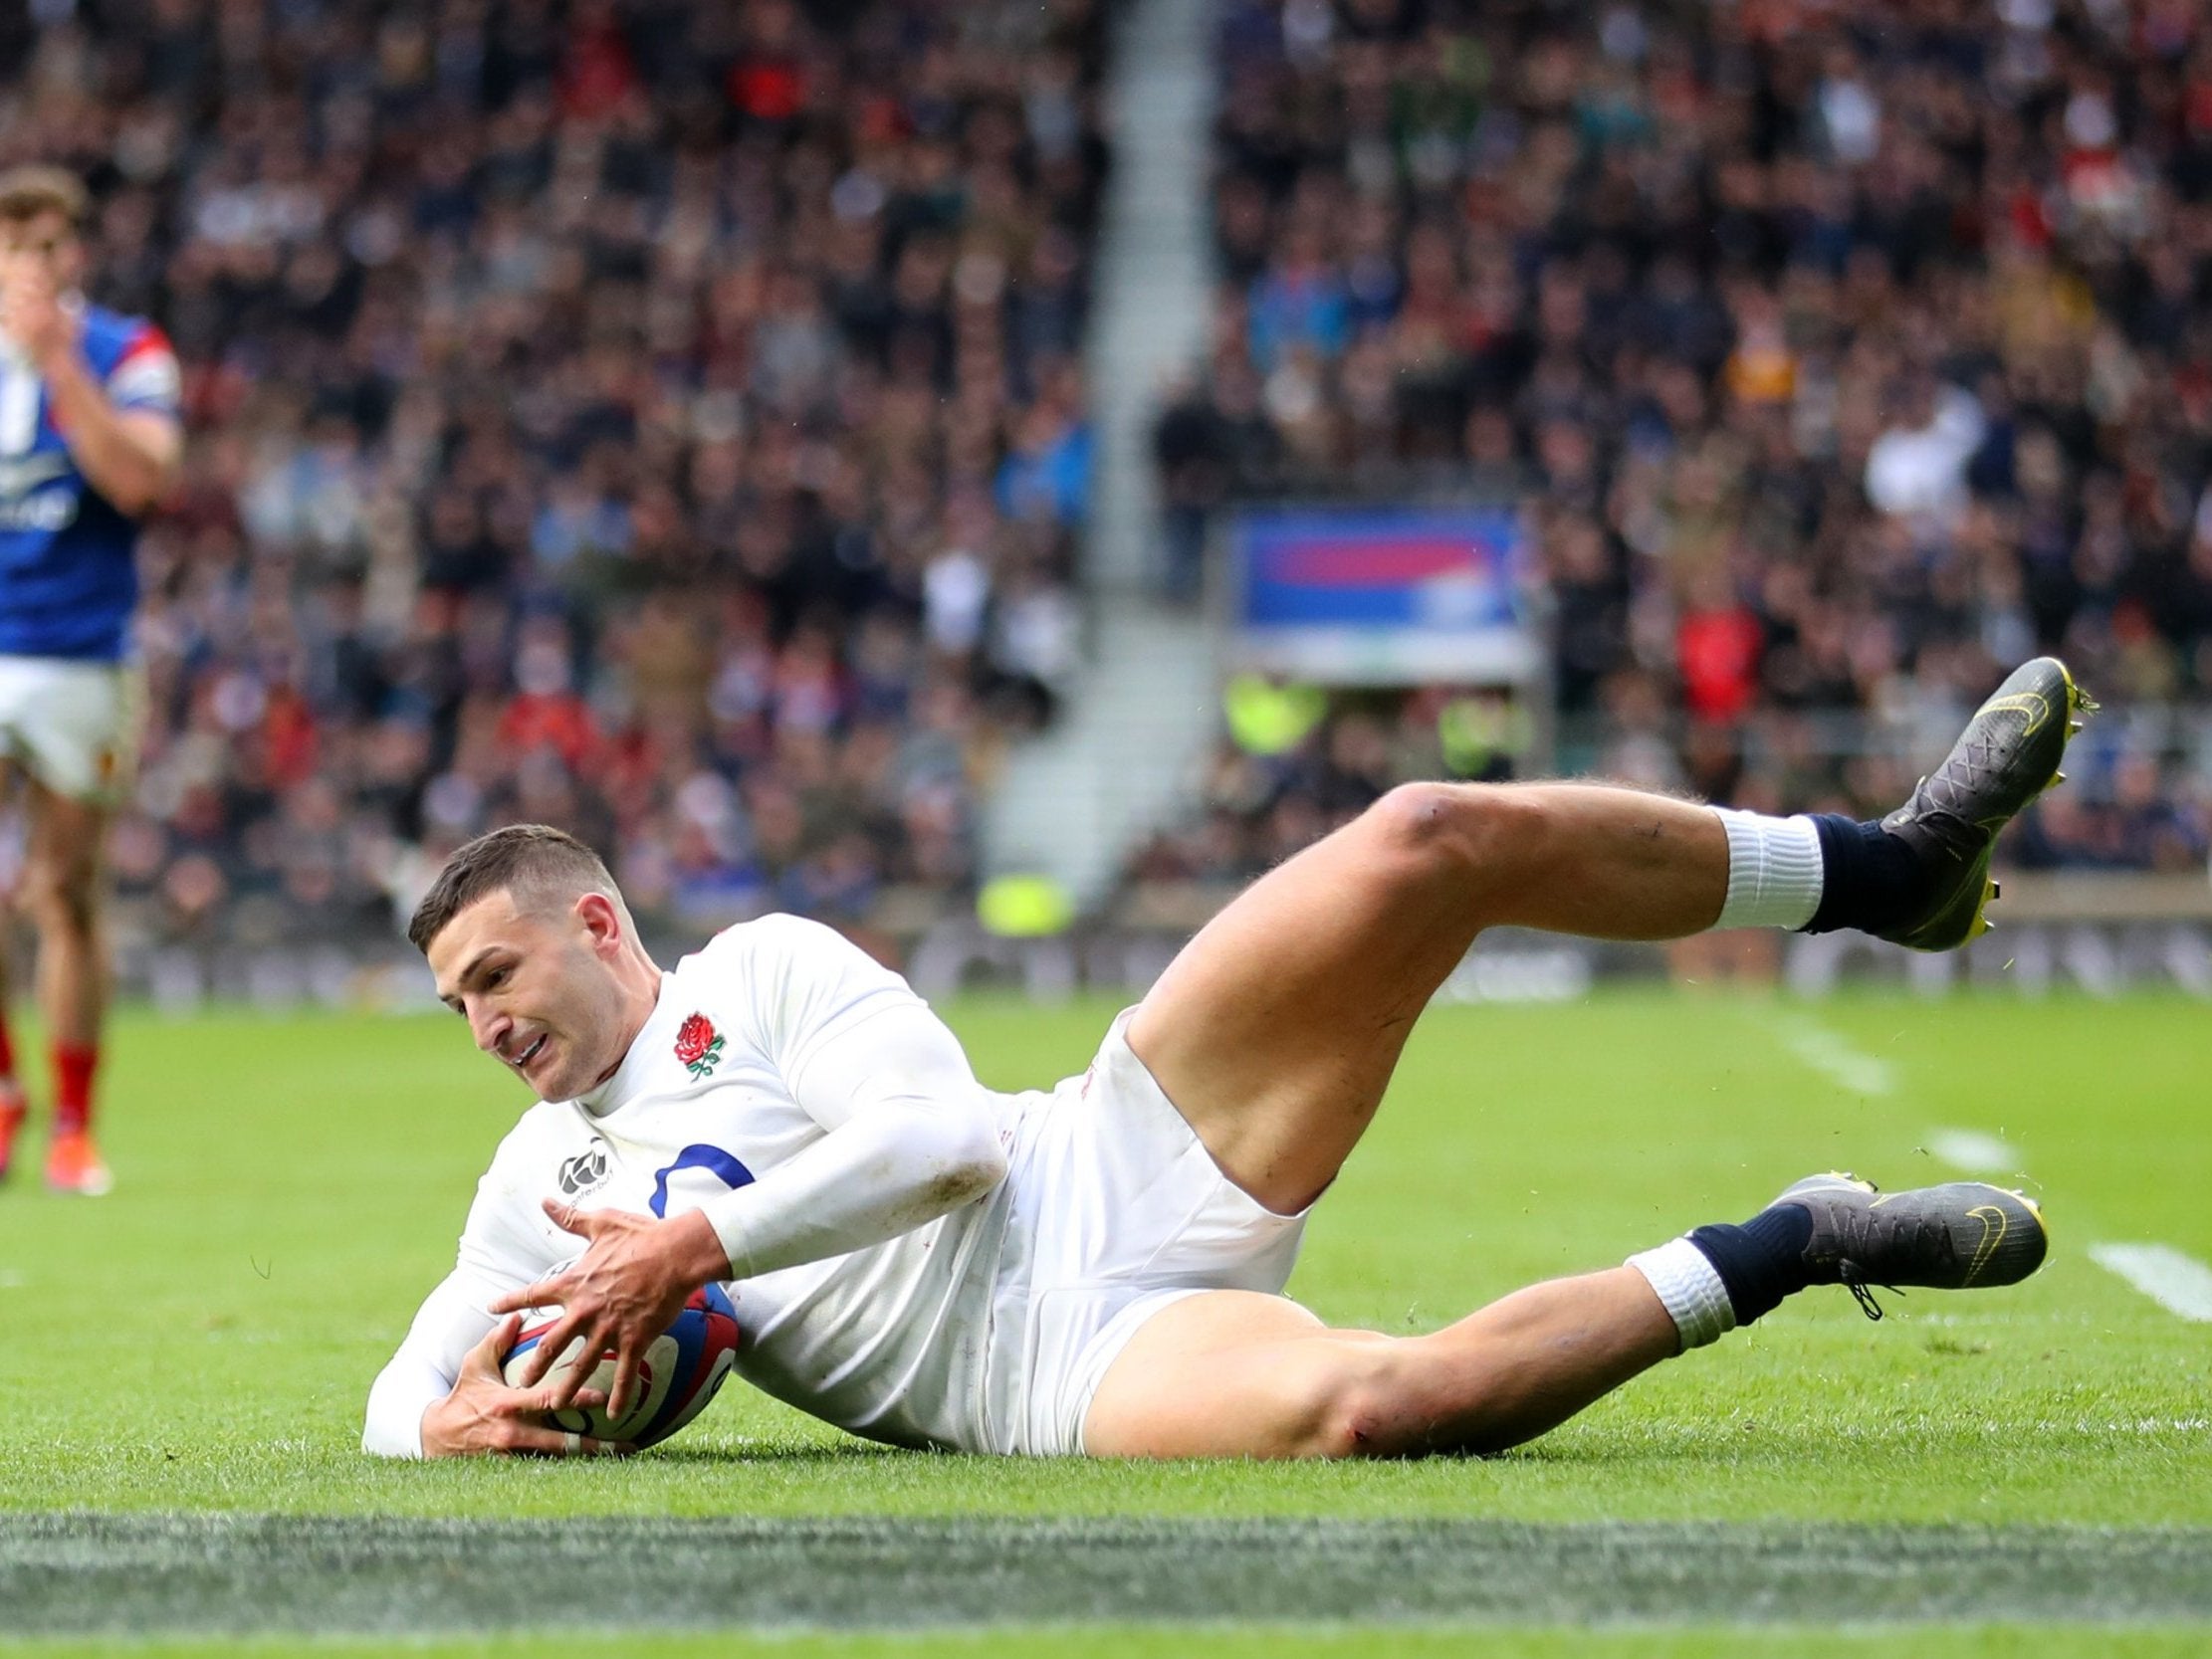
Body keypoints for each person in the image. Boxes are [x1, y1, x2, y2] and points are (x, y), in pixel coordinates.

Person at [364, 657, 2087, 1461]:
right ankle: (1800, 1239)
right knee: (1374, 1408)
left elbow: (951, 1144)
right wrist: (437, 1432)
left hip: (1101, 1153)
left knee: (1425, 832)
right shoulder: (534, 1189)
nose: (484, 1020)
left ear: (597, 927)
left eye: (496, 969)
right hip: (1041, 1380)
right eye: (454, 1006)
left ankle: (1890, 867)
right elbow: (394, 1393)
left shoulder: (764, 968)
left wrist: (694, 1249)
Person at [0, 166, 183, 1195]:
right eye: (13, 242)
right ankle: (2, 1092)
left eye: (47, 244)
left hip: (79, 651)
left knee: (63, 891)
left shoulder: (126, 352)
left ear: (75, 256)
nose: (30, 261)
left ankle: (73, 1121)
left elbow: (141, 479)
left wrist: (61, 367)